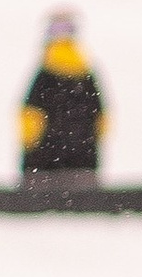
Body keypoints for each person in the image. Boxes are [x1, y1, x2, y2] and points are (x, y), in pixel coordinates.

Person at [19, 11, 105, 183]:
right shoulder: (79, 73)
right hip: (76, 160)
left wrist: (30, 151)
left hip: (52, 162)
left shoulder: (76, 73)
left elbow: (100, 116)